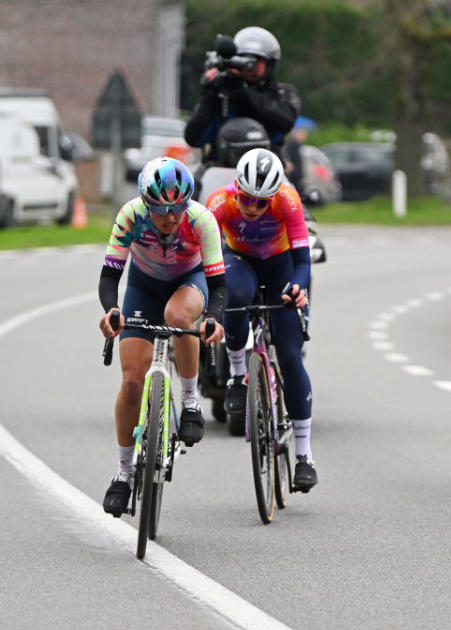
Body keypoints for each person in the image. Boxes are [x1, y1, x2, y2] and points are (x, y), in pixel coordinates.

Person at [98, 157, 226, 517]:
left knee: (177, 316)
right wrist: (111, 310)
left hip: (190, 283)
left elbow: (218, 284)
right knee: (132, 382)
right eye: (161, 209)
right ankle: (123, 472)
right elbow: (110, 277)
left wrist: (213, 319)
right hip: (142, 288)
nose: (170, 217)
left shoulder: (201, 220)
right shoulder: (130, 215)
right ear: (146, 203)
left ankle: (189, 401)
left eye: (178, 207)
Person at [205, 148, 317, 490]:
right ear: (236, 188)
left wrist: (297, 286)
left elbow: (302, 261)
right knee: (235, 297)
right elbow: (204, 257)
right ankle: (237, 376)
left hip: (281, 263)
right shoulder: (218, 204)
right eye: (247, 199)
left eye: (261, 202)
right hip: (239, 258)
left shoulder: (287, 199)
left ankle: (303, 456)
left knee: (290, 355)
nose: (253, 208)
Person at [184, 26, 300, 164]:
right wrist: (208, 96)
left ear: (269, 65)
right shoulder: (222, 94)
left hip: (267, 172)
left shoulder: (281, 93)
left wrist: (243, 92)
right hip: (221, 173)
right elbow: (194, 138)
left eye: (255, 62)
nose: (248, 68)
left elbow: (284, 122)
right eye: (242, 60)